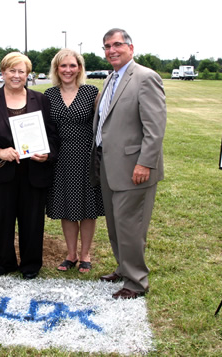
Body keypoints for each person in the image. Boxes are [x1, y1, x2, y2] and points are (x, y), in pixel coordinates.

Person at [90, 28, 166, 299]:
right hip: (109, 166)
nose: (111, 50)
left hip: (135, 168)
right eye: (107, 46)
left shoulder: (146, 78)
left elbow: (155, 128)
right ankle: (124, 268)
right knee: (115, 224)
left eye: (117, 45)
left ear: (130, 48)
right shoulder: (110, 77)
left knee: (131, 226)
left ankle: (136, 282)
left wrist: (145, 163)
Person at [0, 52, 59, 279]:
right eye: (12, 70)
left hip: (33, 171)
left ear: (28, 75)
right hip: (0, 171)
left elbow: (52, 136)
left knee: (32, 220)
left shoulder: (40, 100)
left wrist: (46, 154)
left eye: (21, 71)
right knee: (2, 219)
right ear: (2, 72)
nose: (16, 75)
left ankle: (31, 264)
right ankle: (5, 262)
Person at [45, 49, 104, 273]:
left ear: (79, 68)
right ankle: (70, 254)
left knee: (87, 208)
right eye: (63, 66)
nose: (68, 70)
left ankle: (86, 254)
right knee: (67, 207)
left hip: (86, 157)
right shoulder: (49, 95)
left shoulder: (91, 92)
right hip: (60, 158)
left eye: (72, 65)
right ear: (57, 69)